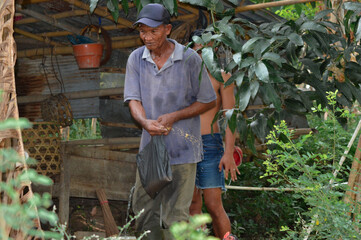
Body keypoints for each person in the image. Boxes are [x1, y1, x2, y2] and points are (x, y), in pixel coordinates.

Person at [124, 5, 217, 240]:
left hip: (184, 151)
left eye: (153, 31)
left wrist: (175, 116)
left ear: (167, 29)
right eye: (143, 31)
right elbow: (133, 99)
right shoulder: (136, 58)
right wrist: (145, 122)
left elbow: (208, 101)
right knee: (144, 213)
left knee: (176, 217)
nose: (147, 37)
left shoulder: (189, 59)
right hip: (151, 151)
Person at [188, 29, 240, 240]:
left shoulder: (223, 76)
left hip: (210, 144)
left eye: (206, 46)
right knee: (191, 204)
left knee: (213, 204)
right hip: (184, 144)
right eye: (196, 46)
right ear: (190, 49)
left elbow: (230, 117)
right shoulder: (181, 76)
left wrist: (228, 153)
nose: (201, 51)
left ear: (214, 48)